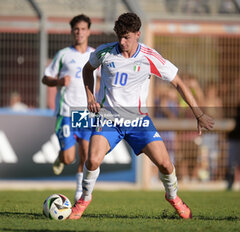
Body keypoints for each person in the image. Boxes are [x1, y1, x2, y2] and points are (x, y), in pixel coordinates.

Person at [69, 13, 214, 220]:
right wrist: (90, 96)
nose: (122, 41)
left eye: (126, 37)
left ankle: (173, 197)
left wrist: (198, 114)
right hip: (108, 118)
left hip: (138, 121)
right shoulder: (105, 53)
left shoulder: (149, 57)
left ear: (138, 34)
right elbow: (87, 69)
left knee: (165, 164)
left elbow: (179, 83)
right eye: (119, 36)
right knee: (92, 160)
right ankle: (83, 199)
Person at [42, 14, 96, 202]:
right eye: (76, 29)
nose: (79, 32)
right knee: (68, 158)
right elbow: (45, 77)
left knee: (86, 156)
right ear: (72, 31)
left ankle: (79, 194)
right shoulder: (63, 54)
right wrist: (58, 81)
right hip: (65, 111)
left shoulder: (95, 55)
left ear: (89, 31)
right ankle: (61, 156)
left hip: (85, 113)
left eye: (83, 29)